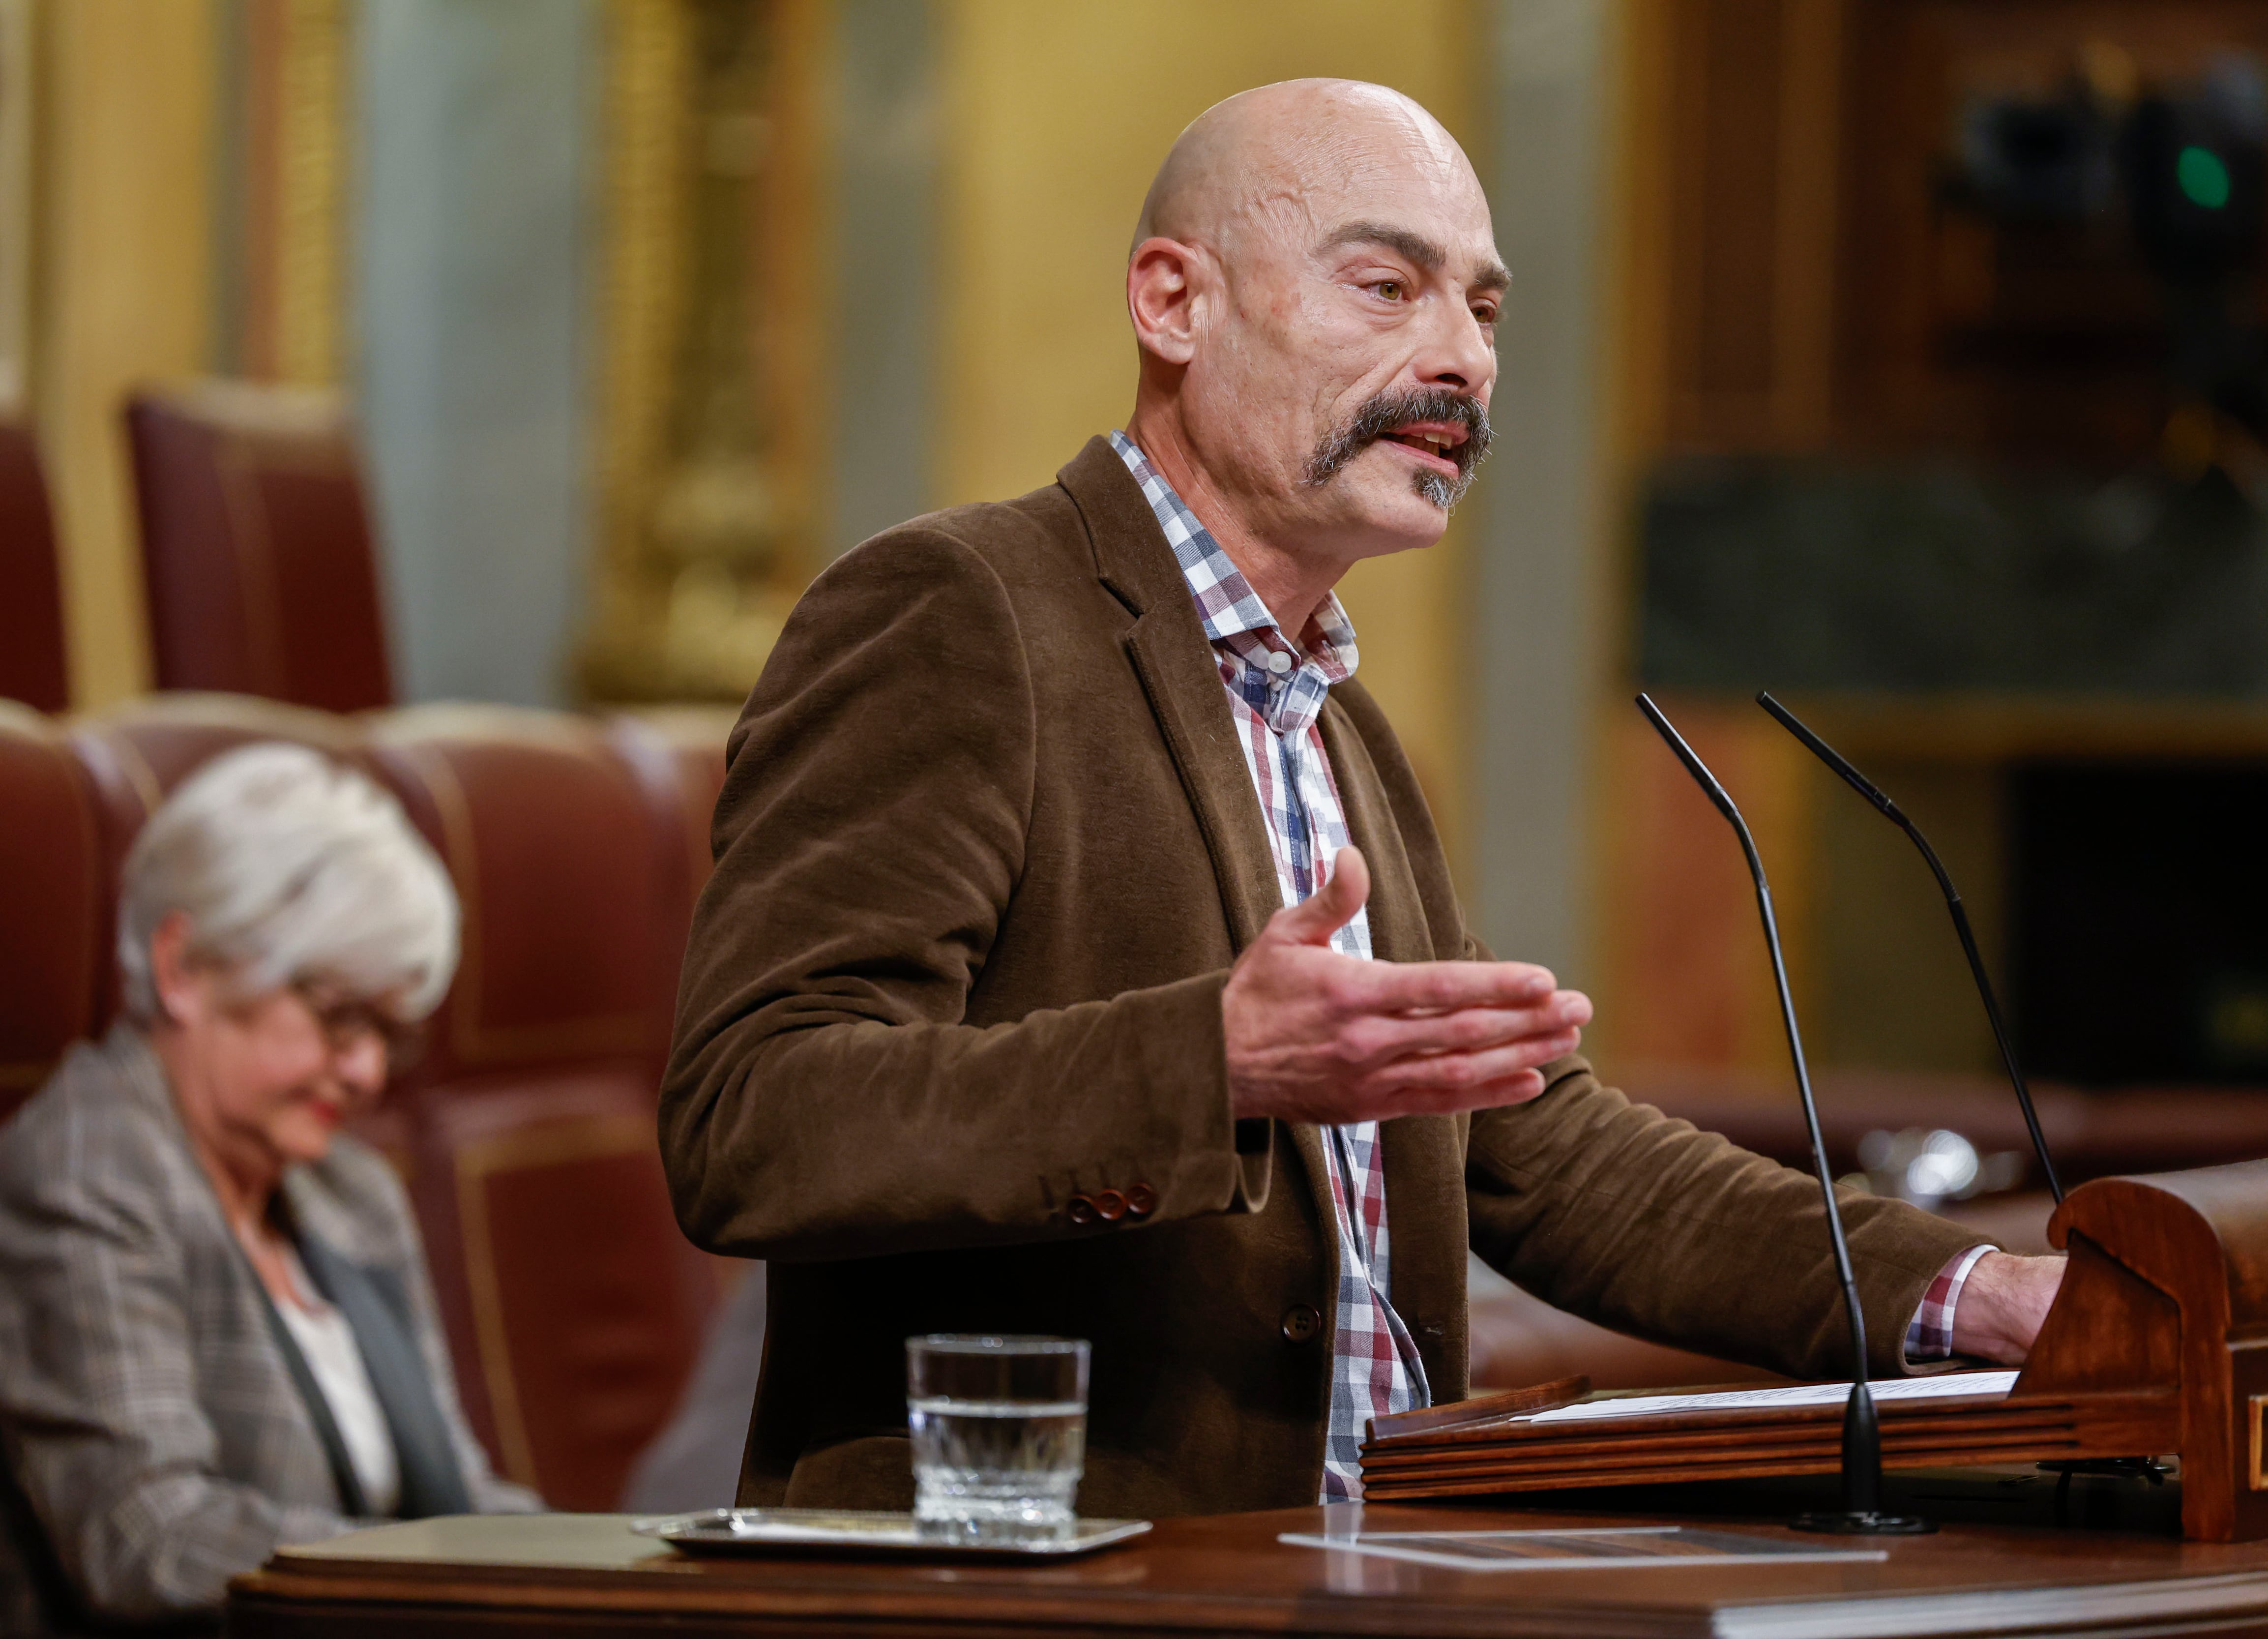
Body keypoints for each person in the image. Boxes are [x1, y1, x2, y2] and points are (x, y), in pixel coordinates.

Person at [659, 78, 2067, 1517]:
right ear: (1172, 303)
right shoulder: (962, 614)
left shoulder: (1341, 722)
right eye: (1388, 286)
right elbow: (754, 1118)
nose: (1460, 357)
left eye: (1488, 310)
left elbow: (1542, 1151)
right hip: (1047, 1581)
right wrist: (1208, 1061)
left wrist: (1977, 1293)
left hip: (1365, 1570)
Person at [0, 744, 536, 1631]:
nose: (367, 1070)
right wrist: (444, 1581)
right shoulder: (85, 1170)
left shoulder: (351, 1189)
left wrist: (632, 1563)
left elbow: (455, 1489)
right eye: (337, 1015)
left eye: (388, 1029)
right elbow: (148, 1537)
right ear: (183, 968)